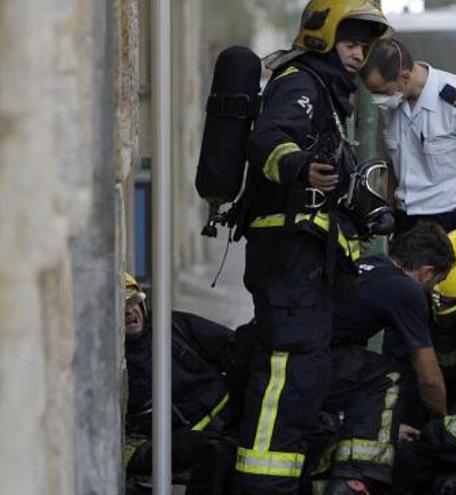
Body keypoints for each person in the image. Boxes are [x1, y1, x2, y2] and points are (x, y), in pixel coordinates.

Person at [235, 2, 391, 492]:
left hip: (304, 262)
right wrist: (300, 166)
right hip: (288, 257)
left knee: (305, 371)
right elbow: (267, 141)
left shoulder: (326, 92)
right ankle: (263, 486)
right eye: (350, 41)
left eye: (364, 45)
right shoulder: (301, 83)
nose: (358, 53)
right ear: (323, 36)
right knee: (287, 371)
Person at [305, 221, 455, 495]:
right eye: (436, 283)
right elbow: (429, 379)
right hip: (312, 361)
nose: (434, 291)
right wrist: (444, 425)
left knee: (365, 370)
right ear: (426, 272)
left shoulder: (372, 264)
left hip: (294, 353)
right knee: (388, 375)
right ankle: (355, 480)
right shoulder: (407, 291)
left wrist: (389, 429)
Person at [390, 229, 456, 495]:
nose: (440, 303)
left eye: (448, 300)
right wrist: (447, 333)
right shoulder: (442, 309)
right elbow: (449, 370)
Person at [360, 39, 456, 236]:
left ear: (404, 77)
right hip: (407, 223)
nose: (378, 99)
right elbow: (394, 164)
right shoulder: (394, 102)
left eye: (382, 92)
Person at [122, 274, 237, 495]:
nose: (129, 311)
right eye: (121, 305)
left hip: (230, 419)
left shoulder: (173, 327)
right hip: (181, 445)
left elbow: (233, 348)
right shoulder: (113, 366)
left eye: (133, 302)